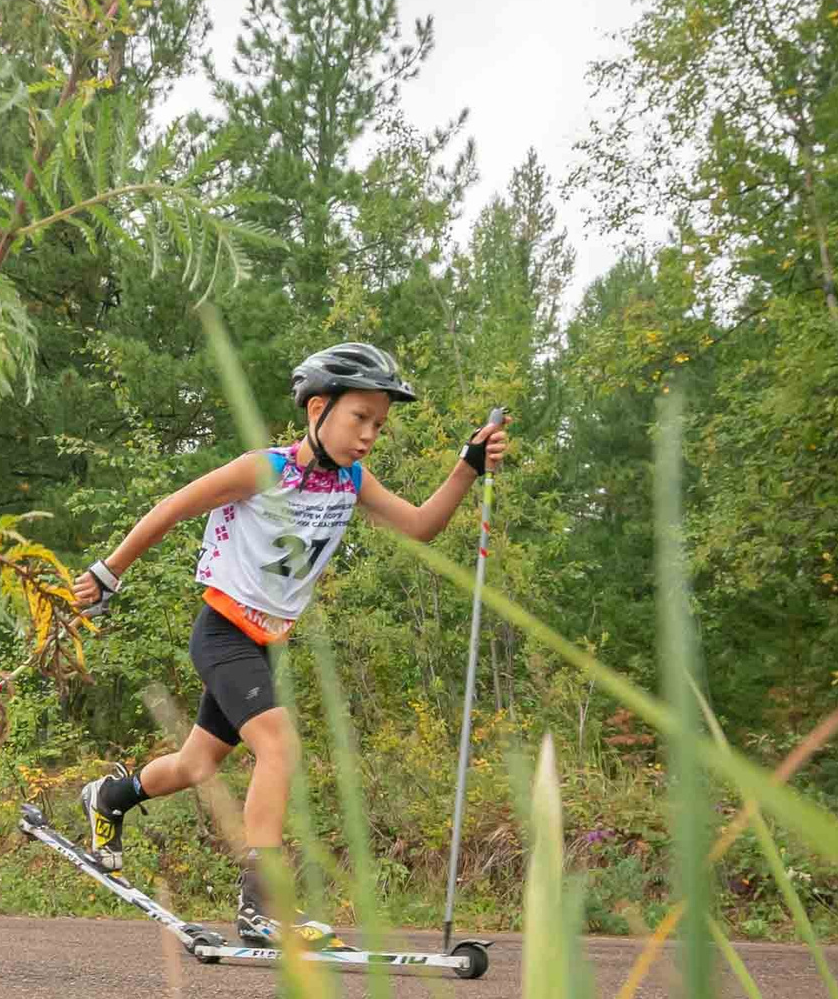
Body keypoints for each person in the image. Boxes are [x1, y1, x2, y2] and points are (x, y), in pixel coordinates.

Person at [67, 342, 510, 949]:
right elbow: (172, 508)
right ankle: (261, 909)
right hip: (223, 633)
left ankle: (110, 796)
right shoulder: (266, 470)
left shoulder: (352, 482)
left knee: (197, 765)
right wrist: (108, 572)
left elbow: (421, 525)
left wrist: (468, 466)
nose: (369, 435)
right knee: (280, 746)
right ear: (317, 409)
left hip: (264, 644)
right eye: (360, 418)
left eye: (379, 424)